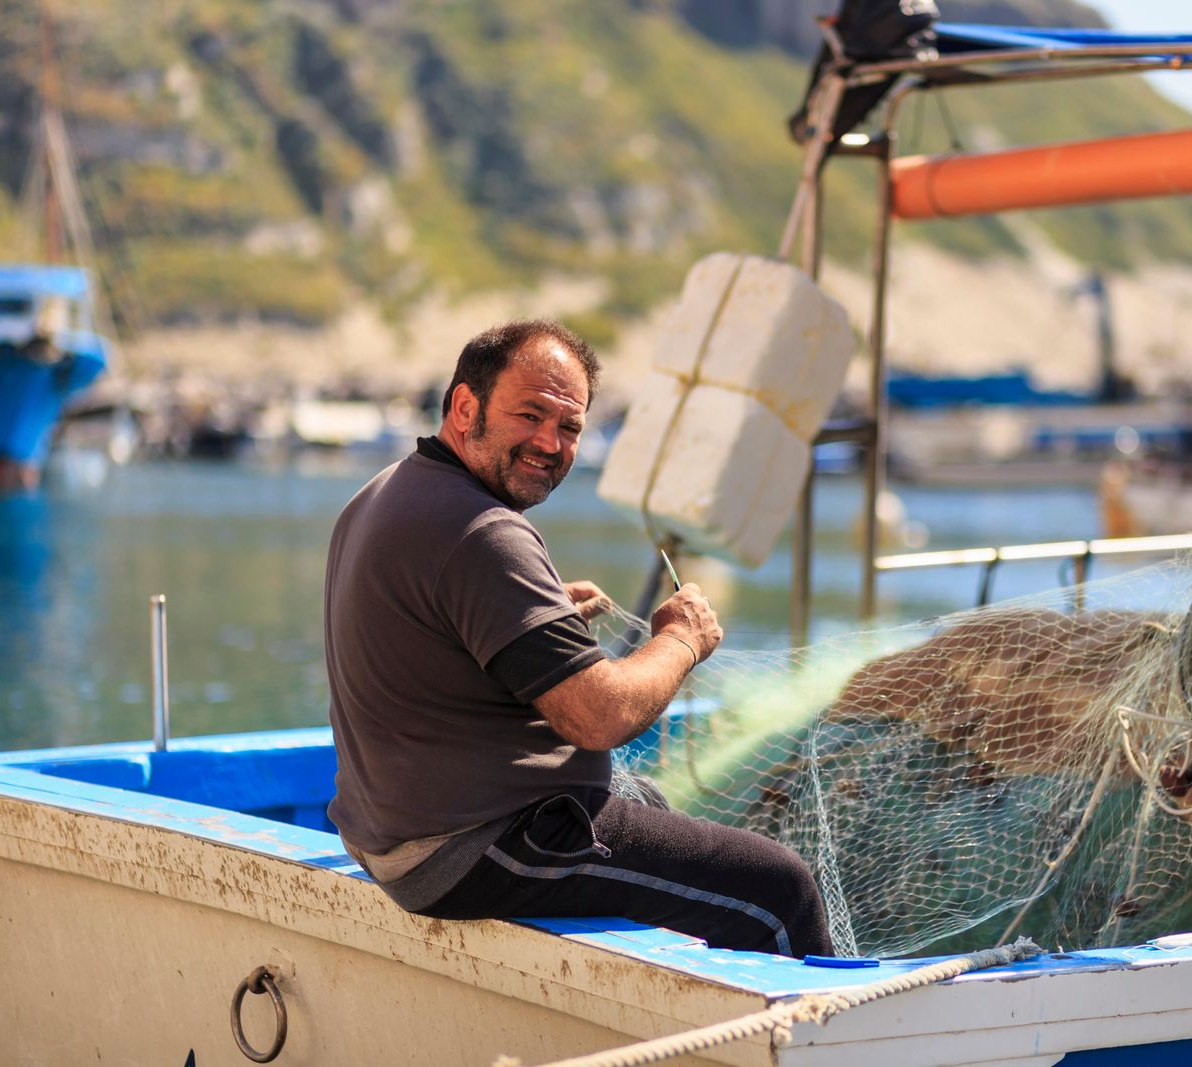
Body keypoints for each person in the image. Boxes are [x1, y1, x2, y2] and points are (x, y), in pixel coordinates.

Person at [324, 319, 832, 958]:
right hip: (471, 848)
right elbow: (600, 718)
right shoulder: (483, 533)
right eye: (530, 415)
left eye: (568, 427)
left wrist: (538, 624)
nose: (549, 442)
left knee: (648, 802)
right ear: (464, 407)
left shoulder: (385, 494)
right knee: (779, 888)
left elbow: (425, 636)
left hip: (390, 833)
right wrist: (681, 639)